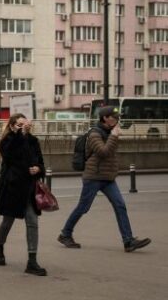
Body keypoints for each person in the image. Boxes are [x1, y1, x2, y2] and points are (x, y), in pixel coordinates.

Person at [58, 106, 151, 252]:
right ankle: (65, 234)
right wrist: (114, 136)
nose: (117, 118)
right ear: (105, 118)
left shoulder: (108, 132)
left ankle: (128, 241)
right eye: (114, 116)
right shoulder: (95, 133)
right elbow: (103, 152)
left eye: (117, 116)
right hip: (93, 177)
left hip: (108, 178)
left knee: (120, 205)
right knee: (83, 208)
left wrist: (113, 135)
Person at [0, 114, 47, 276]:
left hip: (29, 188)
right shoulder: (7, 141)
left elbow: (41, 162)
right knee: (7, 221)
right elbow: (10, 155)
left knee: (32, 221)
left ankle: (32, 261)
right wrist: (19, 135)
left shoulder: (33, 141)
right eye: (19, 125)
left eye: (25, 124)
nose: (24, 127)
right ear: (11, 126)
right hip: (12, 188)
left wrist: (38, 169)